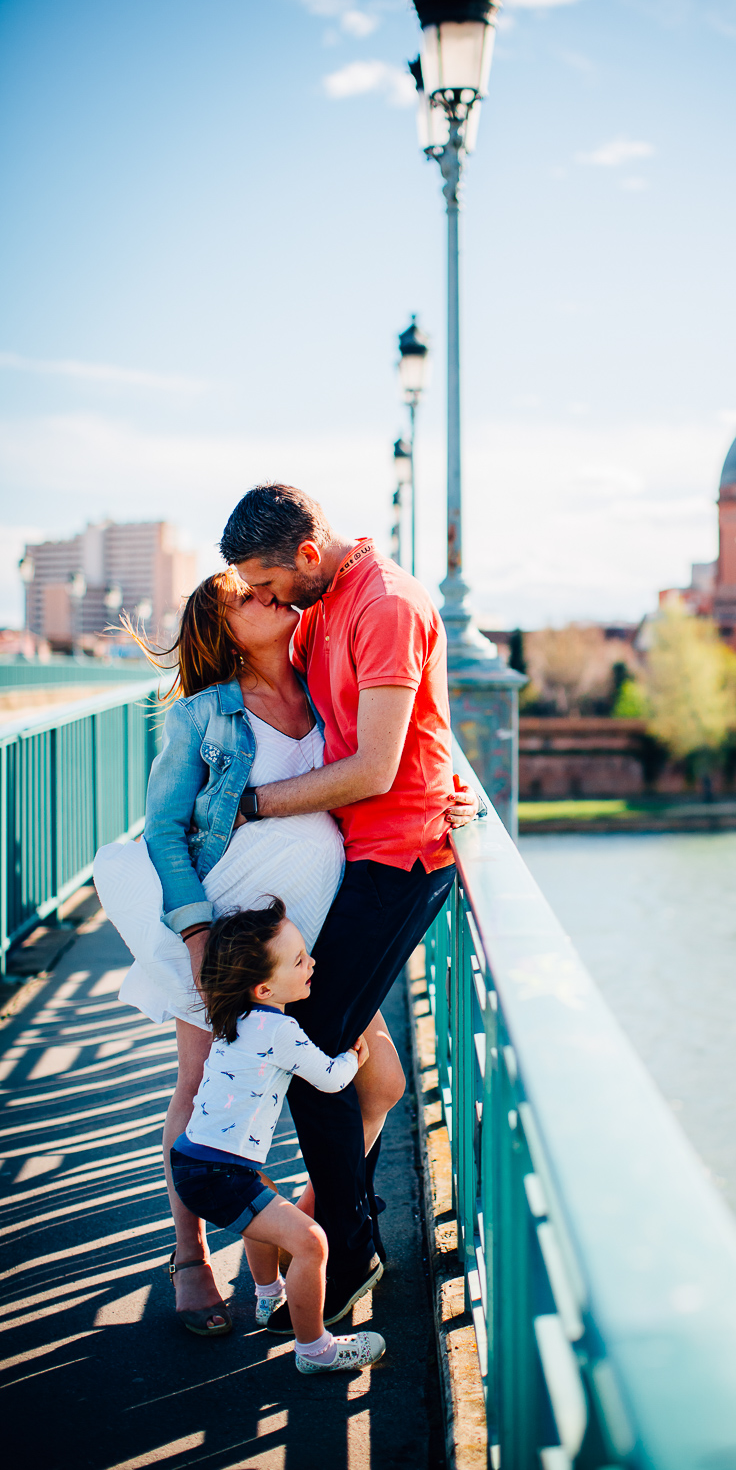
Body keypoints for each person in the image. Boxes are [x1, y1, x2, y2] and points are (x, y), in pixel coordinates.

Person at [94, 569, 475, 1333]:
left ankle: (299, 1228)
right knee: (202, 1084)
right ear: (223, 629)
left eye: (272, 589)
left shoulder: (323, 683)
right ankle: (190, 1259)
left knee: (382, 1082)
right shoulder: (203, 716)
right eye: (251, 597)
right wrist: (200, 935)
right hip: (232, 930)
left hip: (314, 930)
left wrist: (442, 791)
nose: (275, 598)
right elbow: (165, 831)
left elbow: (390, 748)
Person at [219, 484, 475, 1331]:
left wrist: (254, 807)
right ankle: (342, 1235)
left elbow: (373, 768)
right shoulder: (324, 604)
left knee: (313, 1047)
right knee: (336, 1052)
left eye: (265, 582)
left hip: (400, 858)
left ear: (305, 553)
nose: (263, 600)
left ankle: (351, 1251)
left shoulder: (387, 604)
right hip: (353, 858)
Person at [171, 896, 385, 1373]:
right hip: (218, 1172)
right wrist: (356, 1057)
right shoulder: (279, 1032)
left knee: (261, 1204)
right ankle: (315, 1350)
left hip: (194, 1161)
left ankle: (269, 1296)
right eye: (299, 960)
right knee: (311, 1242)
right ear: (266, 987)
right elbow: (330, 1078)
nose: (313, 963)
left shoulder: (236, 1017)